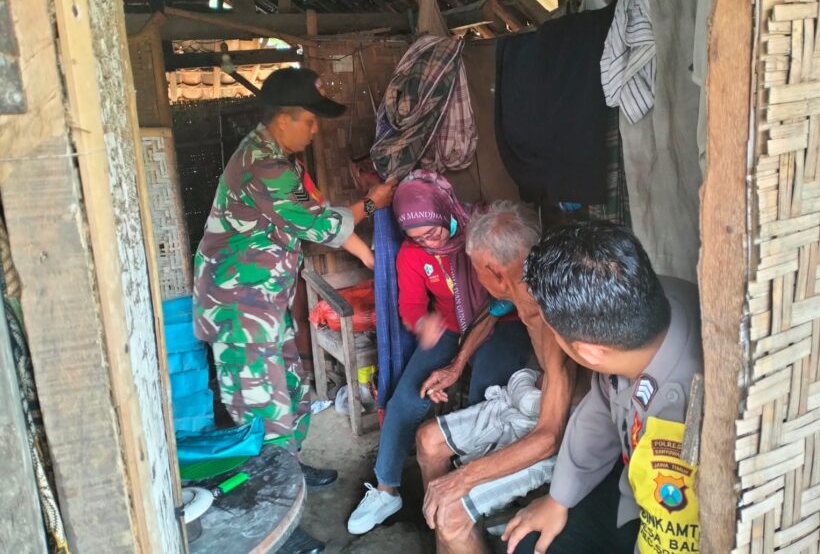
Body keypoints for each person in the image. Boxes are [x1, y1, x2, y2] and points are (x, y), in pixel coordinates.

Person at [193, 68, 396, 553]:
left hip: (265, 300)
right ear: (282, 119)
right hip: (239, 309)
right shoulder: (264, 166)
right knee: (260, 410)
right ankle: (274, 524)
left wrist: (374, 259)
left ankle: (289, 469)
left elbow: (323, 218)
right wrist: (372, 204)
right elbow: (322, 224)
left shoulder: (282, 158)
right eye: (308, 119)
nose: (314, 129)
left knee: (291, 389)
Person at [347, 174, 534, 536]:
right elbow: (412, 305)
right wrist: (422, 324)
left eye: (432, 232)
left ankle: (486, 490)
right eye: (417, 238)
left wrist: (458, 362)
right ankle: (386, 490)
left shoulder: (481, 232)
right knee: (406, 397)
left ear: (444, 210)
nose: (429, 242)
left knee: (486, 395)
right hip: (450, 326)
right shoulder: (412, 254)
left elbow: (502, 299)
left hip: (503, 320)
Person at [502, 221, 703, 554]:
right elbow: (601, 407)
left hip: (678, 525)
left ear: (590, 353)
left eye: (554, 333)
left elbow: (673, 535)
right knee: (530, 543)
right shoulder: (647, 302)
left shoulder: (682, 414)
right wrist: (559, 498)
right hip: (632, 488)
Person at [413, 201, 589, 554]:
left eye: (477, 270)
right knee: (428, 440)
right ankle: (450, 541)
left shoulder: (552, 313)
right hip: (528, 395)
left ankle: (454, 524)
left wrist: (462, 479)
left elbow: (549, 437)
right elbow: (492, 311)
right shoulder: (522, 282)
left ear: (494, 272)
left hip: (566, 426)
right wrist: (457, 364)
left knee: (451, 510)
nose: (477, 278)